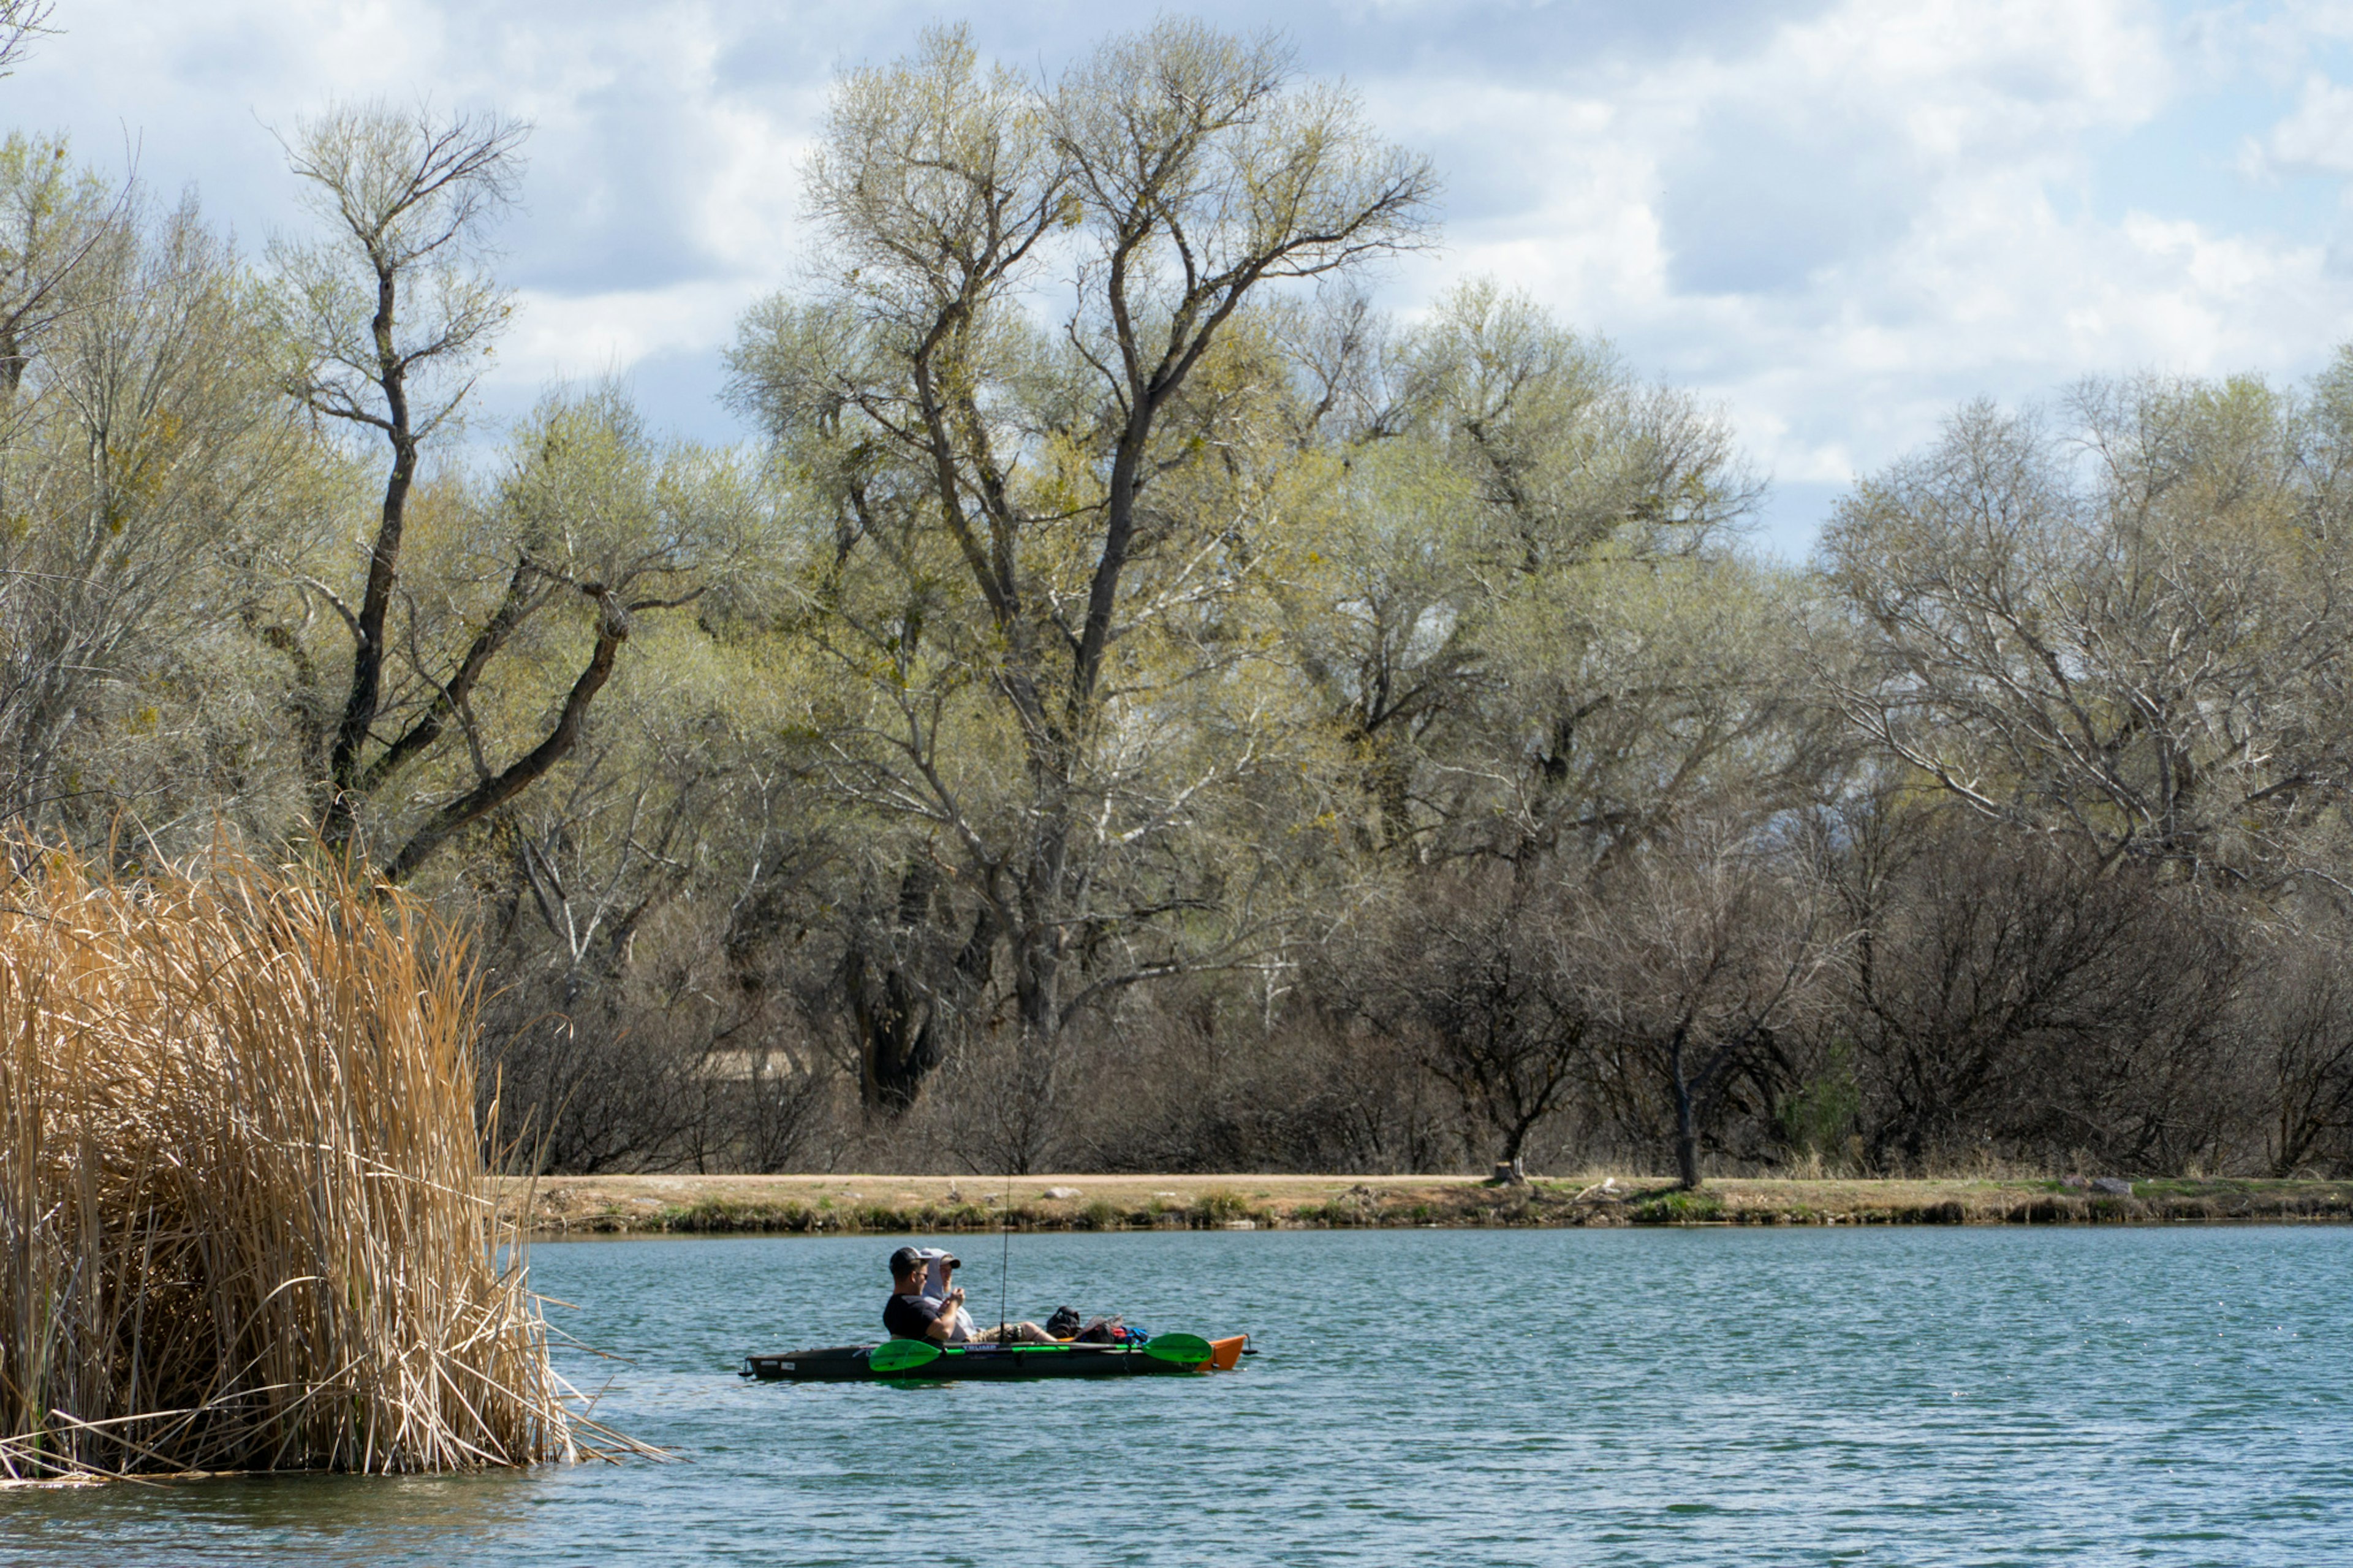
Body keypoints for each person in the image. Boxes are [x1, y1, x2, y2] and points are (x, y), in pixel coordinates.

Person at [882, 1246, 1058, 1344]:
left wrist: (944, 1313)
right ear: (914, 1277)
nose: (925, 1281)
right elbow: (943, 1331)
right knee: (1027, 1328)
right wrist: (954, 1305)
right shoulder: (914, 1305)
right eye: (925, 1277)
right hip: (969, 1347)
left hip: (962, 1345)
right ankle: (1070, 1350)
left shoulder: (893, 1306)